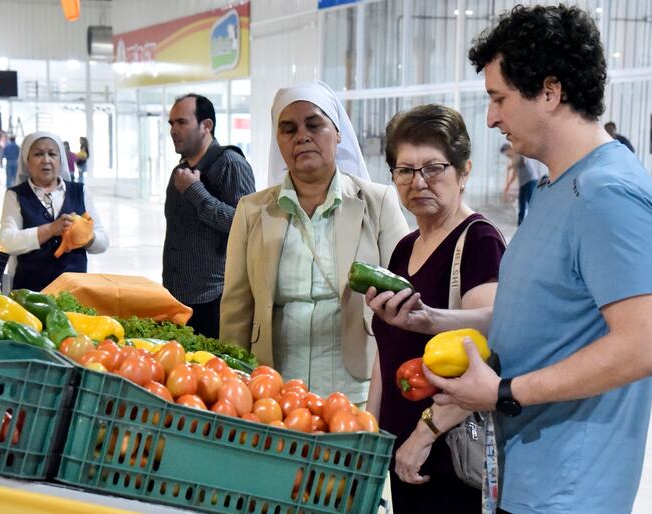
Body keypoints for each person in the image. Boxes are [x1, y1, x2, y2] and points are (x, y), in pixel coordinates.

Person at [423, 6, 652, 514]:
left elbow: (646, 347)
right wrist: (434, 320)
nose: (491, 116)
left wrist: (506, 391)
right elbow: (542, 315)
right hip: (528, 479)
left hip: (571, 492)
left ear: (551, 92)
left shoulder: (609, 194)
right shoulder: (558, 186)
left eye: (499, 98)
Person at [219, 81, 409, 404]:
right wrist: (234, 388)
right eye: (288, 129)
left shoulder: (378, 203)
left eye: (314, 124)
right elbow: (236, 311)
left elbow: (405, 292)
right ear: (278, 141)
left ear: (337, 133)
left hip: (357, 392)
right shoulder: (251, 212)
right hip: (274, 394)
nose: (301, 136)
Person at [364, 104, 506, 513]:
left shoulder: (478, 242)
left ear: (464, 172)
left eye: (433, 168)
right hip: (399, 443)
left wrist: (421, 438)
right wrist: (371, 430)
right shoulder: (405, 247)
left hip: (447, 453)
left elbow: (487, 358)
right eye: (404, 170)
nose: (418, 181)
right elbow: (385, 350)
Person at [164, 94, 255, 338]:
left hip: (214, 299)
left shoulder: (231, 164)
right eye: (171, 123)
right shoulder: (180, 170)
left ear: (206, 126)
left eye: (181, 122)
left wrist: (195, 191)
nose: (173, 130)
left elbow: (245, 225)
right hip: (177, 297)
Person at [0, 131, 109, 291]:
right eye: (38, 154)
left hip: (74, 293)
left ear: (61, 160)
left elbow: (103, 242)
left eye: (52, 154)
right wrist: (50, 229)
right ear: (26, 161)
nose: (46, 160)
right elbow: (7, 241)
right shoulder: (16, 195)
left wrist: (86, 236)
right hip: (30, 295)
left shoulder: (80, 192)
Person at [500, 142, 539, 225]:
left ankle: (535, 222)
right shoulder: (513, 159)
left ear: (509, 149)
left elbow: (523, 161)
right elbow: (514, 175)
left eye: (506, 153)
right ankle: (520, 224)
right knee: (521, 203)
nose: (507, 156)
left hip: (530, 180)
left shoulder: (519, 152)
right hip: (523, 183)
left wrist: (511, 166)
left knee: (530, 201)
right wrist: (507, 186)